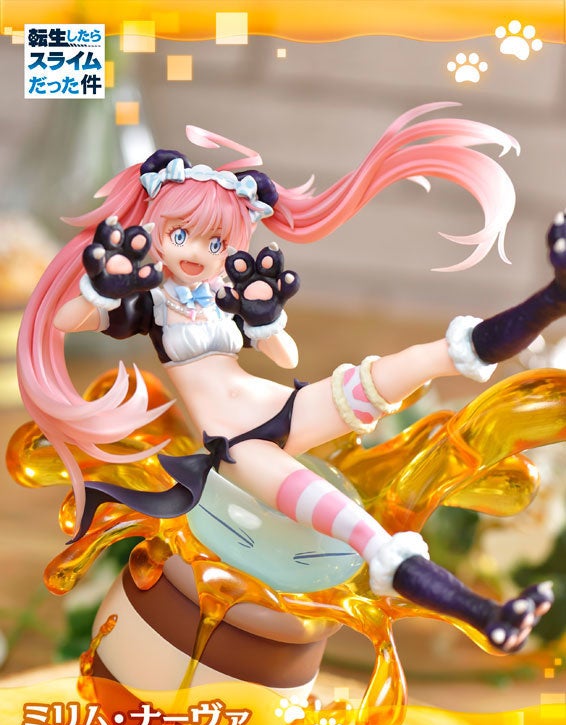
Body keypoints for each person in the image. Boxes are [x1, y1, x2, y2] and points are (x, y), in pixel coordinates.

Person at [18, 102, 565, 655]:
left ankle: (553, 296)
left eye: (216, 244)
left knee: (423, 359)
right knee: (365, 534)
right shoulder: (151, 304)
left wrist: (264, 318)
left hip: (285, 407)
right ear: (155, 229)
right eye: (180, 235)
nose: (197, 253)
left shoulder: (219, 298)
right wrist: (101, 289)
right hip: (238, 446)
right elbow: (66, 322)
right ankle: (487, 616)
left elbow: (284, 356)